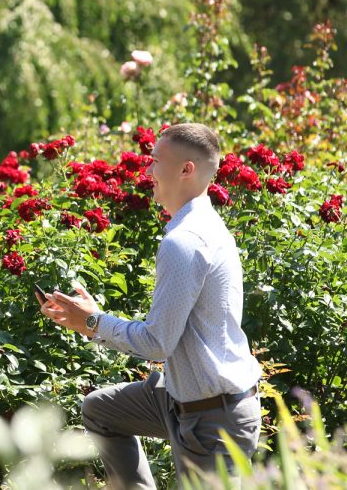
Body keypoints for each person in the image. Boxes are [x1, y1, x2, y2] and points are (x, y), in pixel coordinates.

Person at [40, 123, 262, 487]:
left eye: (155, 162)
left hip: (213, 419)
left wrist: (93, 323)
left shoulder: (186, 241)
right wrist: (93, 319)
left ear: (186, 170)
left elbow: (158, 343)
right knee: (101, 410)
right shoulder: (198, 225)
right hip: (181, 400)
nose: (148, 172)